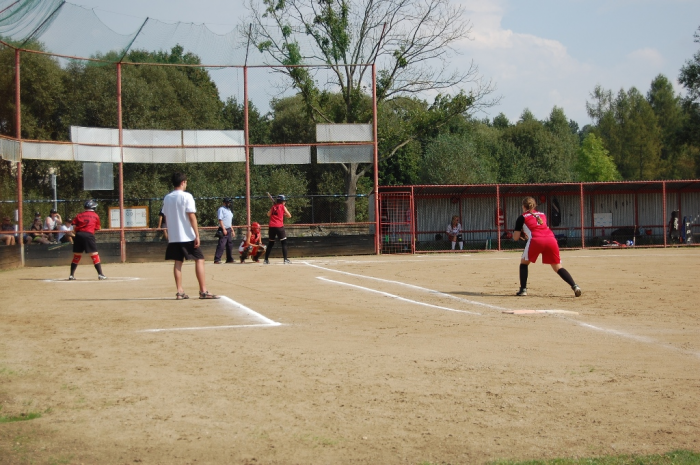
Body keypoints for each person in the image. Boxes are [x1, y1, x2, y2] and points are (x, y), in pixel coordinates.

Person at [161, 172, 219, 300]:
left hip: (174, 237)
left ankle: (179, 291)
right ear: (183, 182)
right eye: (186, 182)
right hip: (187, 236)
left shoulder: (167, 198)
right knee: (200, 259)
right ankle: (203, 291)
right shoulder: (187, 196)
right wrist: (197, 235)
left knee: (178, 262)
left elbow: (165, 215)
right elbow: (191, 216)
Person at [513, 196, 581, 297]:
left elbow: (515, 238)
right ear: (534, 205)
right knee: (558, 267)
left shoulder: (522, 217)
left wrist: (521, 233)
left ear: (523, 206)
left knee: (524, 263)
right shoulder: (542, 215)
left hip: (536, 240)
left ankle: (523, 290)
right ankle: (575, 286)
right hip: (551, 240)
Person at [69, 200, 106, 280]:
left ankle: (71, 275)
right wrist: (90, 234)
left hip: (78, 235)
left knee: (77, 255)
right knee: (94, 254)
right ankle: (100, 274)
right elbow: (97, 228)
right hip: (88, 235)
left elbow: (74, 227)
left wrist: (78, 234)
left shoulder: (79, 215)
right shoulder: (95, 215)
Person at [263, 194, 292, 264]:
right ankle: (285, 259)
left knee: (271, 243)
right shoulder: (282, 206)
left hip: (271, 227)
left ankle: (266, 260)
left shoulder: (273, 207)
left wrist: (279, 212)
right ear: (281, 201)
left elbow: (268, 214)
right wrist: (283, 214)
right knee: (284, 242)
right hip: (279, 226)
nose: (285, 202)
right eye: (284, 201)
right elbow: (289, 216)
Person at [213, 197, 234, 264]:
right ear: (224, 203)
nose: (229, 204)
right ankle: (217, 259)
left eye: (229, 203)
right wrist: (224, 229)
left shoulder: (229, 210)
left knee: (229, 245)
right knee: (222, 244)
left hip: (229, 229)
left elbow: (229, 221)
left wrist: (232, 230)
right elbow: (220, 220)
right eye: (228, 202)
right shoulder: (221, 209)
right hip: (223, 229)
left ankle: (229, 259)